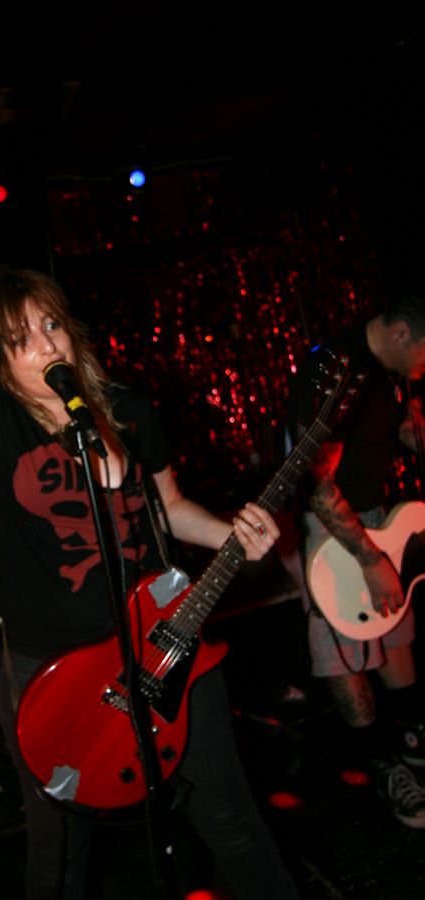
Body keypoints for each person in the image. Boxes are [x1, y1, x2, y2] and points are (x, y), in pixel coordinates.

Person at [0, 62, 299, 899]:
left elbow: (171, 508)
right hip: (56, 670)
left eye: (51, 324)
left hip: (164, 643)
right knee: (60, 864)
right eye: (21, 337)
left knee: (234, 824)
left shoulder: (127, 409)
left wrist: (234, 531)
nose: (45, 343)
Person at [291, 291, 425, 829]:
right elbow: (315, 479)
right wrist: (369, 557)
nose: (423, 365)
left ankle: (414, 743)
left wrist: (409, 430)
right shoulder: (337, 371)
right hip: (332, 530)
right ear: (401, 334)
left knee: (393, 630)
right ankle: (383, 765)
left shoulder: (388, 372)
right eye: (423, 352)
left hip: (374, 515)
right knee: (345, 653)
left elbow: (384, 432)